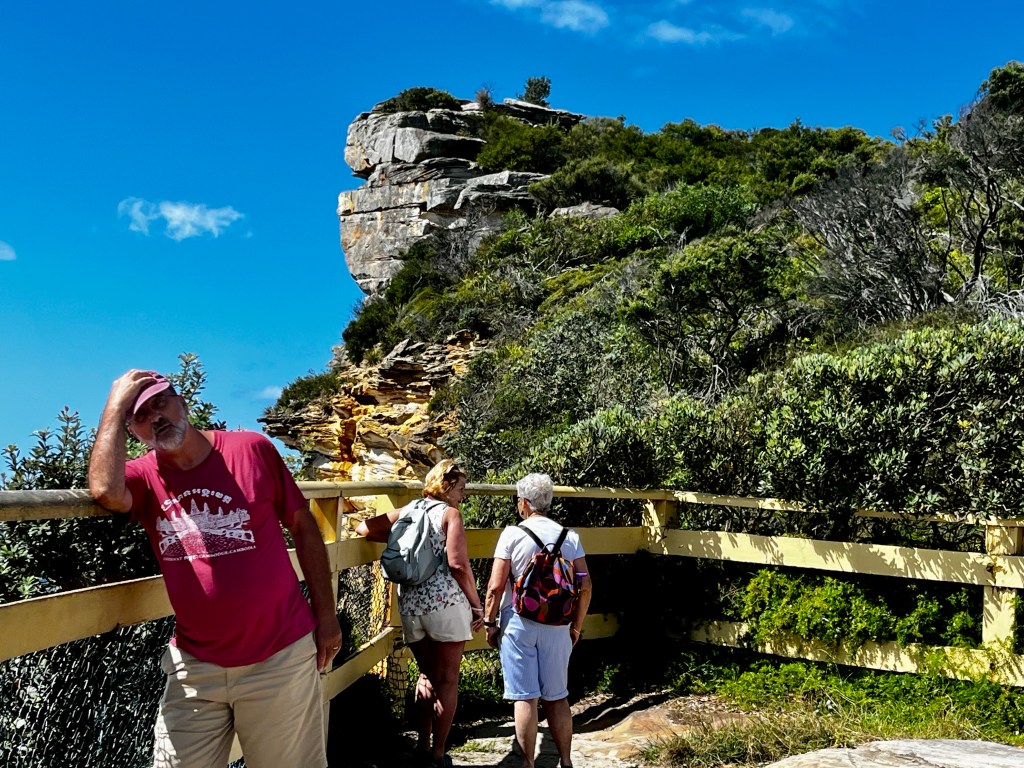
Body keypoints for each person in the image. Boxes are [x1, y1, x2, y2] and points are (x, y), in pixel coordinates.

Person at [88, 369, 341, 768]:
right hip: (195, 666)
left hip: (278, 656)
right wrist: (114, 404)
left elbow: (304, 527)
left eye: (160, 403)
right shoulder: (142, 476)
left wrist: (326, 616)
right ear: (131, 430)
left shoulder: (251, 449)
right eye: (140, 416)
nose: (156, 418)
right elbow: (104, 490)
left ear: (182, 402)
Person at [355, 459, 484, 768]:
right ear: (447, 486)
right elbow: (458, 565)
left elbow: (363, 528)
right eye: (461, 488)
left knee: (426, 675)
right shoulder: (450, 514)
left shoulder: (409, 510)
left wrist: (404, 541)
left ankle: (422, 746)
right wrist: (476, 605)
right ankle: (438, 754)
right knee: (447, 680)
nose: (463, 495)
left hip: (411, 606)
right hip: (445, 605)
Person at [482, 473, 593, 768]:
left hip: (518, 622)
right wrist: (576, 626)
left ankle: (528, 763)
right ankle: (566, 761)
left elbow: (495, 587)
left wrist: (490, 623)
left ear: (524, 503)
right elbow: (585, 585)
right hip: (558, 625)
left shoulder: (512, 535)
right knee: (557, 697)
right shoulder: (570, 537)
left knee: (525, 698)